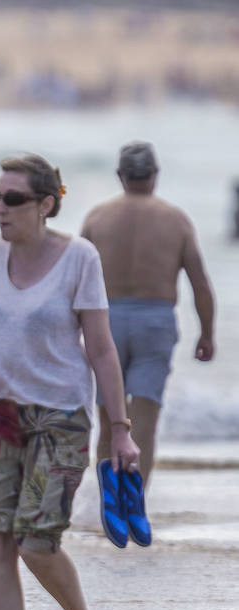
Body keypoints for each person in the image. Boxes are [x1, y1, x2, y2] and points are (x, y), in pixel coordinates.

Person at [0, 154, 140, 610]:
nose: (0, 209)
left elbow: (101, 347)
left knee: (36, 541)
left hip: (59, 415)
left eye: (12, 199)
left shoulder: (80, 257)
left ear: (46, 204)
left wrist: (121, 428)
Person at [81, 141, 215, 485]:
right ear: (154, 175)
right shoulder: (176, 220)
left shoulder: (97, 217)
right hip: (155, 322)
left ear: (119, 175)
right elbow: (199, 283)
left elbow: (74, 278)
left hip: (105, 321)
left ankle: (107, 500)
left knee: (110, 415)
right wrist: (207, 334)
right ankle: (136, 499)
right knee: (145, 417)